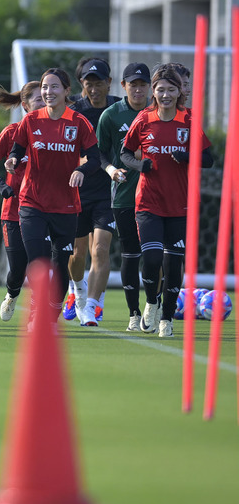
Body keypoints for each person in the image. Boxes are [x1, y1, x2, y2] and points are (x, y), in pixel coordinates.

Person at [121, 64, 213, 337]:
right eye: (160, 89)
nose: (165, 94)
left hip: (181, 205)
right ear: (154, 91)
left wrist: (188, 156)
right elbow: (125, 154)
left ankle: (168, 319)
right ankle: (151, 302)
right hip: (148, 203)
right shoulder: (143, 119)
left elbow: (208, 159)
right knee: (150, 258)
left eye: (171, 89)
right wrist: (141, 166)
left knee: (173, 264)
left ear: (179, 92)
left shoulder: (189, 120)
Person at [4, 68, 100, 329]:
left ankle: (52, 314)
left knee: (60, 267)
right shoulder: (31, 120)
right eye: (45, 87)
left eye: (54, 87)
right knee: (38, 261)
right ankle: (37, 310)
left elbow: (95, 159)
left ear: (67, 91)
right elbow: (16, 150)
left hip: (66, 205)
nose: (48, 92)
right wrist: (12, 160)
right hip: (32, 201)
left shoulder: (79, 123)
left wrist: (81, 170)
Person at [65, 58, 121, 326]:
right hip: (78, 190)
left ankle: (92, 306)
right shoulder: (73, 111)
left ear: (109, 83)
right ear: (82, 84)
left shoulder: (119, 109)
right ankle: (76, 290)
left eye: (99, 83)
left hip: (108, 192)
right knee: (78, 254)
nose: (95, 88)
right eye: (89, 83)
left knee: (101, 249)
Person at [0, 82, 44, 321]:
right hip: (14, 211)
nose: (42, 102)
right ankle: (11, 294)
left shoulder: (57, 133)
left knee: (40, 263)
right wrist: (3, 187)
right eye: (37, 99)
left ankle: (38, 309)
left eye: (45, 98)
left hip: (44, 209)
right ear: (26, 105)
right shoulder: (11, 133)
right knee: (18, 267)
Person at [96, 62, 151, 332]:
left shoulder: (160, 113)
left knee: (158, 255)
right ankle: (133, 313)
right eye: (133, 84)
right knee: (130, 255)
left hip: (159, 196)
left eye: (142, 84)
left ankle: (157, 308)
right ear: (123, 86)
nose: (138, 89)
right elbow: (101, 152)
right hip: (125, 196)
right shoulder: (111, 115)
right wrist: (110, 169)